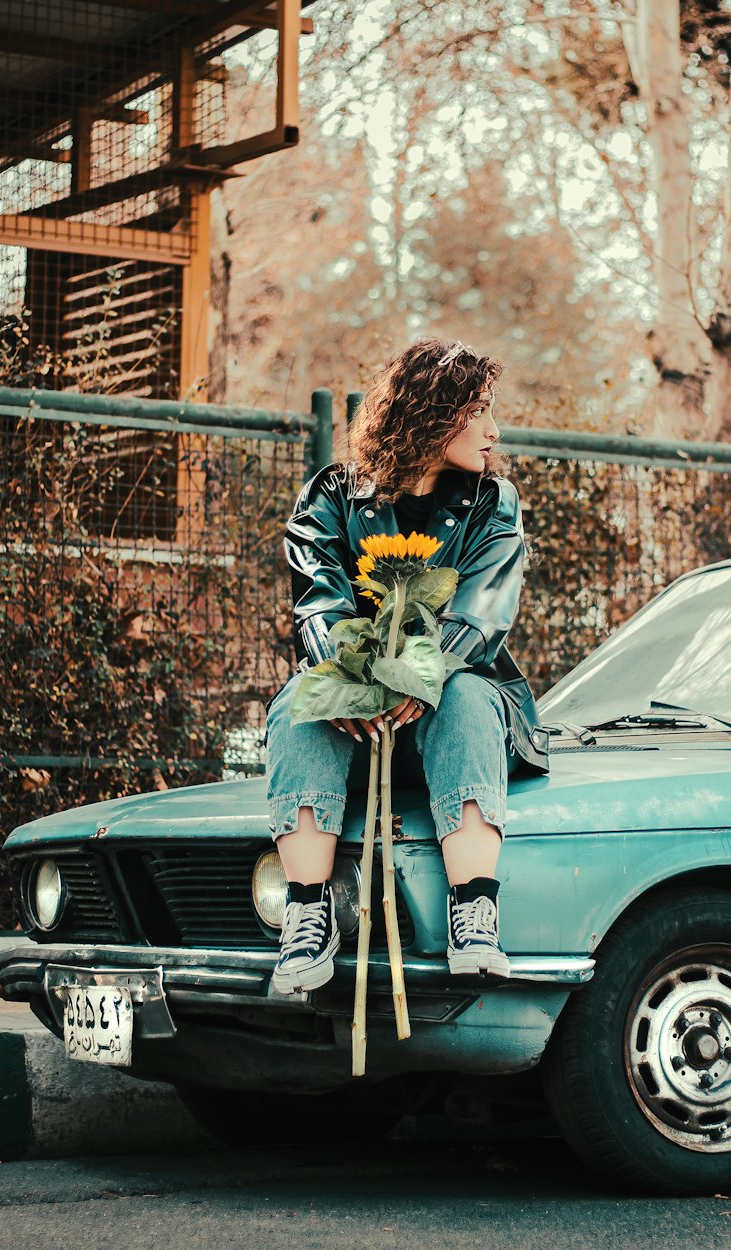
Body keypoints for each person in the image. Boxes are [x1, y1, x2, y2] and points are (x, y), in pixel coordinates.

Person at [264, 338, 549, 996]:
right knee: (300, 703)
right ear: (431, 411)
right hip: (357, 724)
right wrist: (357, 684)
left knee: (471, 697)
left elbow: (479, 616)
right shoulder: (331, 495)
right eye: (476, 409)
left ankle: (474, 915)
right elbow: (319, 603)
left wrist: (418, 679)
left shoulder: (491, 501)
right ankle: (308, 916)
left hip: (450, 716)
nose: (492, 429)